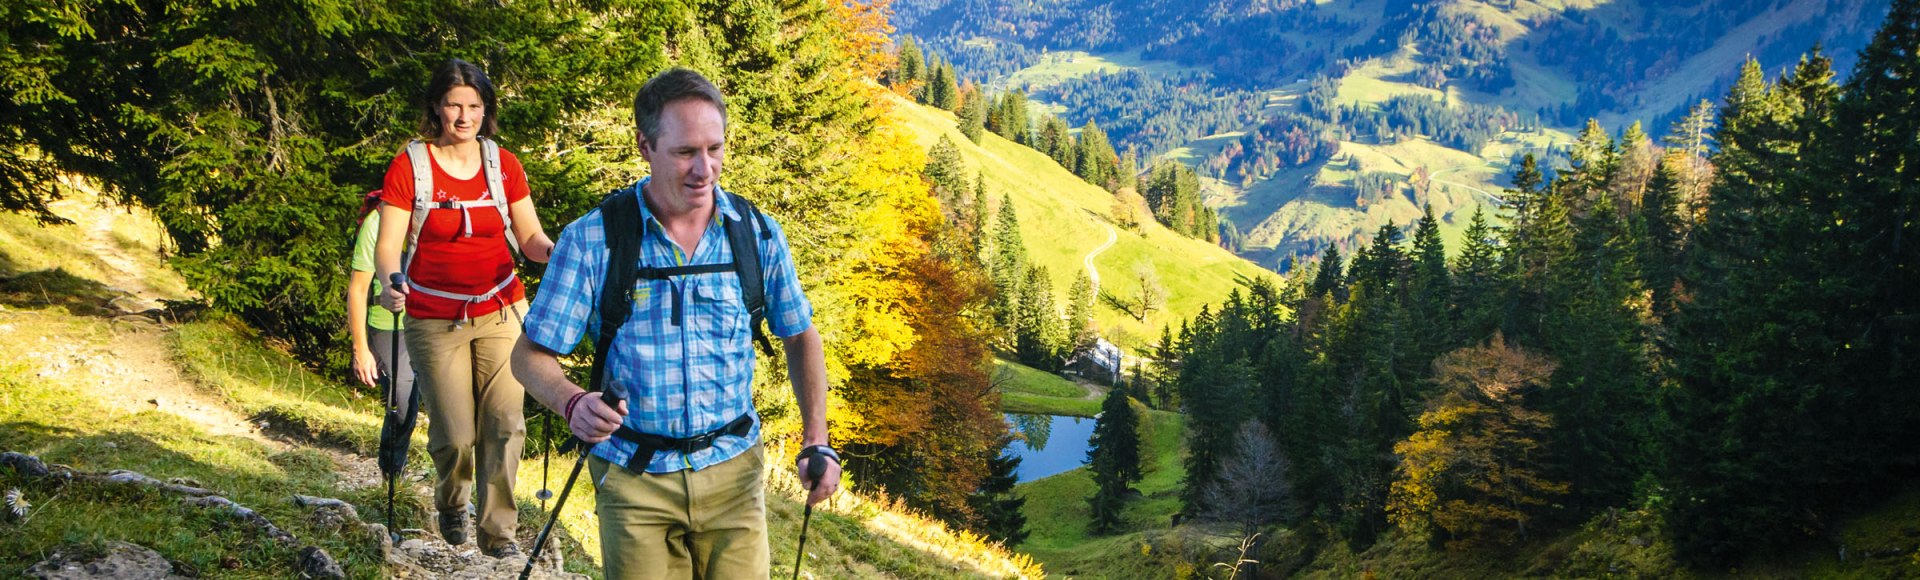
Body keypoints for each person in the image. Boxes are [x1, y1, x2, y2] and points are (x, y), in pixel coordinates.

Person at [511, 67, 839, 578]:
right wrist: (571, 401)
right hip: (633, 479)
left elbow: (799, 335)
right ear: (645, 145)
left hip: (735, 474)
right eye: (686, 152)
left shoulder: (754, 234)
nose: (705, 168)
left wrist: (815, 437)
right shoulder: (593, 239)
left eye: (715, 148)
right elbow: (529, 355)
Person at [375, 58, 554, 557]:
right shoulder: (411, 164)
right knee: (455, 435)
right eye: (454, 104)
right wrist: (393, 280)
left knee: (505, 423)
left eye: (473, 105)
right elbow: (388, 244)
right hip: (433, 316)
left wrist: (553, 253)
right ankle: (452, 500)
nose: (463, 115)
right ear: (437, 106)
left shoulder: (504, 165)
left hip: (501, 308)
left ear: (485, 109)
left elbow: (529, 235)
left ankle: (499, 535)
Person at [347, 190, 407, 396]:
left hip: (436, 321)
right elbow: (358, 288)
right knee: (402, 399)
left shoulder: (441, 213)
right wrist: (361, 349)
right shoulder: (377, 222)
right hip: (390, 326)